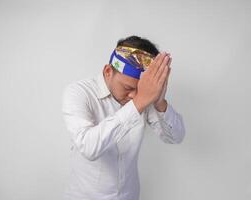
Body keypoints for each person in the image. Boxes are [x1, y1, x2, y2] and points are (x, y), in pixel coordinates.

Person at [62, 35, 185, 200]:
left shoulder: (143, 98)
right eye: (127, 87)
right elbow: (88, 147)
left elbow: (175, 137)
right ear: (108, 72)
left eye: (139, 91)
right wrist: (140, 101)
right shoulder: (78, 93)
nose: (133, 95)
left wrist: (159, 101)